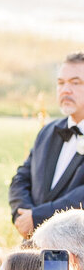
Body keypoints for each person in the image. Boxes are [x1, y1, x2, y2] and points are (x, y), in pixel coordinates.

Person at [10, 52, 84, 239]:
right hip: (34, 247)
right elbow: (21, 178)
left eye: (75, 83)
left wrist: (39, 217)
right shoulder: (48, 131)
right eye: (61, 83)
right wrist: (24, 215)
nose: (66, 89)